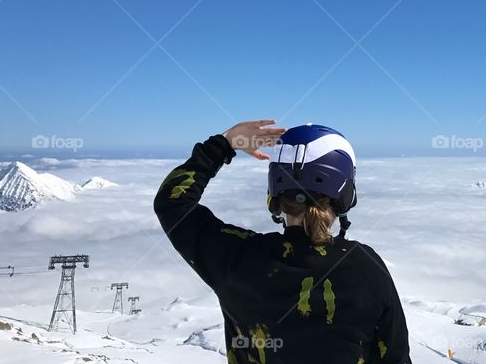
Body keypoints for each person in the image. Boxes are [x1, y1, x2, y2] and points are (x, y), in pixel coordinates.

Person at [154, 119, 411, 363]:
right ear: (345, 194)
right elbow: (396, 357)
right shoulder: (366, 269)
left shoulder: (237, 258)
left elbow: (172, 203)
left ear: (274, 195)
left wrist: (226, 142)